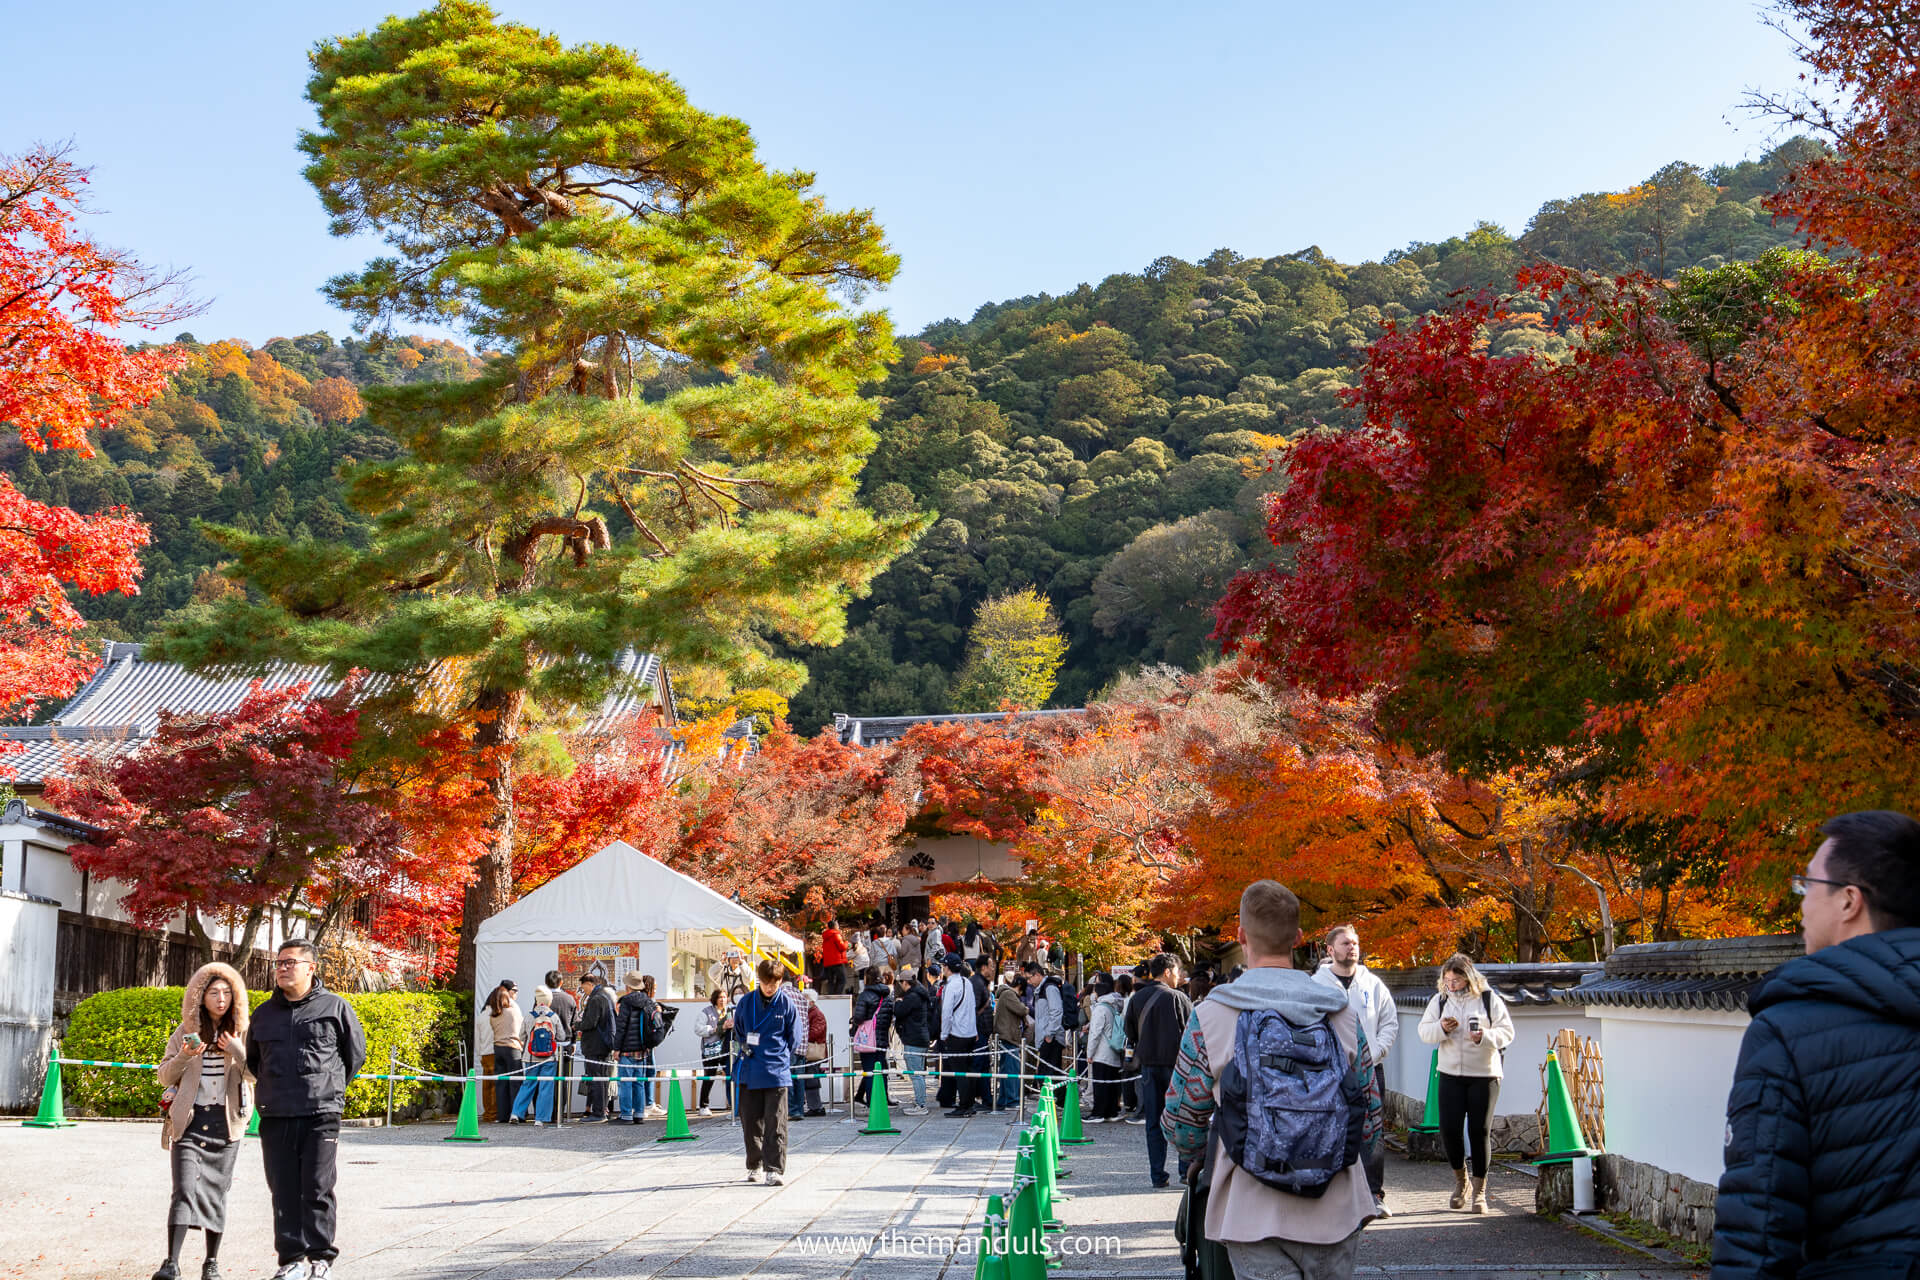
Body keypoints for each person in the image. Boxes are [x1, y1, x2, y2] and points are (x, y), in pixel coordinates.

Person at [1713, 810, 1920, 1277]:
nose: (1802, 901)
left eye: (1808, 884)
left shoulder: (1788, 1030)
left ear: (1849, 901)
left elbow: (1758, 1227)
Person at [1162, 880, 1378, 1280]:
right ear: (1298, 938)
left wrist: (1198, 1157)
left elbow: (1181, 1119)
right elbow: (1370, 1114)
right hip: (1336, 1206)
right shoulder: (1342, 1014)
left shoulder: (1211, 1015)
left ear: (1241, 936)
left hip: (1250, 1208)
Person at [247, 938, 366, 1280]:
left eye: (291, 962)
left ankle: (320, 1258)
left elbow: (354, 1055)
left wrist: (329, 1087)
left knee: (317, 1186)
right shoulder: (264, 1014)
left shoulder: (335, 1007)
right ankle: (291, 1260)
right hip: (275, 1113)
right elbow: (255, 1060)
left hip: (320, 1113)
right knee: (282, 1188)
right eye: (279, 963)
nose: (283, 968)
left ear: (311, 968)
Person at [153, 962, 254, 1280]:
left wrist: (237, 1049)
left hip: (226, 1123)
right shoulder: (185, 1032)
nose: (221, 999)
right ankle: (171, 1263)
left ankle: (211, 1263)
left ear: (235, 996)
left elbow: (257, 1075)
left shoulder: (243, 1032)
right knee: (183, 1189)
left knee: (216, 1193)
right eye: (213, 993)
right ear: (200, 997)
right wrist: (185, 1055)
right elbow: (163, 1076)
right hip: (190, 1121)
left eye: (226, 993)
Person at [1313, 924, 1400, 1217]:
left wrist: (1373, 1054)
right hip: (1330, 1071)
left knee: (1373, 1131)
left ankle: (1374, 1194)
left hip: (1371, 1069)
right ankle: (1335, 1195)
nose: (1352, 948)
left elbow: (1389, 1024)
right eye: (1345, 943)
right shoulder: (1317, 985)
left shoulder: (1373, 984)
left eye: (1355, 943)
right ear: (1330, 949)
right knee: (1330, 1129)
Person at [1417, 953, 1515, 1213]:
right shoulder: (1440, 1001)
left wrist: (1484, 1036)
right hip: (1449, 1074)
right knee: (1449, 1130)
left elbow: (1507, 1032)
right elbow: (1424, 1032)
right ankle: (1462, 1182)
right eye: (1447, 980)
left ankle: (1480, 1191)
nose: (1451, 985)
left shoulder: (1488, 999)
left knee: (1479, 1131)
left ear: (1468, 978)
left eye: (1456, 981)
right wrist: (1442, 1028)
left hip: (1484, 1074)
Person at [1125, 952, 1193, 1188]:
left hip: (1149, 1067)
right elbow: (1192, 1032)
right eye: (1176, 971)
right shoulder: (1179, 998)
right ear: (1167, 972)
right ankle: (1186, 1171)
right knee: (1182, 1119)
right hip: (1178, 1068)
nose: (1178, 976)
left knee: (1153, 1120)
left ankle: (1158, 1175)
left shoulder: (1137, 998)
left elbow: (1129, 1032)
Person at [734, 958, 803, 1184]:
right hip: (750, 1067)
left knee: (776, 1122)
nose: (769, 987)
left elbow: (794, 1038)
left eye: (774, 983)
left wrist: (781, 1056)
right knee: (750, 1122)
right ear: (759, 980)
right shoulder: (746, 1002)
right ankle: (754, 1164)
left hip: (776, 1070)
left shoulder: (787, 1004)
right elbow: (738, 1031)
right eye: (765, 982)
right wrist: (745, 1046)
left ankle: (773, 1169)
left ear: (780, 981)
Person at [939, 951, 984, 1117]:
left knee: (959, 1072)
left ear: (948, 968)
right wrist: (975, 1030)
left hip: (956, 1033)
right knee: (969, 1070)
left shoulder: (950, 986)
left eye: (944, 966)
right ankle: (969, 1103)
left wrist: (944, 1034)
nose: (943, 969)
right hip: (970, 1033)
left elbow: (947, 1012)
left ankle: (964, 1105)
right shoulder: (967, 982)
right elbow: (972, 1008)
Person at [612, 970, 660, 1126]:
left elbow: (621, 1027)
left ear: (628, 986)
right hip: (643, 1049)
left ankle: (626, 1114)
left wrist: (617, 1049)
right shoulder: (648, 1001)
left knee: (625, 1082)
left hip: (627, 1049)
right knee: (639, 1082)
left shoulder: (626, 1002)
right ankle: (639, 1114)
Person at [1023, 958, 1068, 1111]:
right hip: (1047, 1037)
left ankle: (1052, 1102)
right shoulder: (1041, 989)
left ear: (1037, 974)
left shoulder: (1049, 988)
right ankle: (1060, 1102)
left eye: (1029, 977)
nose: (1029, 982)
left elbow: (1056, 1011)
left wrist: (1049, 1034)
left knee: (1047, 1071)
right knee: (1053, 1070)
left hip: (1051, 1037)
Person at [892, 967, 935, 1114]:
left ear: (905, 983)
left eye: (901, 983)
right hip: (921, 1037)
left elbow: (899, 1011)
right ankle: (920, 1101)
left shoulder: (912, 997)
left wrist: (898, 1002)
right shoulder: (921, 994)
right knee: (919, 1073)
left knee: (916, 1074)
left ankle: (921, 1105)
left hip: (913, 1039)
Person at [851, 966, 895, 1106]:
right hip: (882, 1038)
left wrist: (854, 1022)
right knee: (882, 1070)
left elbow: (859, 1017)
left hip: (867, 1039)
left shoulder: (865, 995)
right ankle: (883, 1098)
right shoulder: (887, 995)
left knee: (869, 1071)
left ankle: (873, 1102)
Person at [576, 973, 618, 1121]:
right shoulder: (605, 996)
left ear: (589, 984)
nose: (583, 991)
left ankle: (598, 1113)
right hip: (603, 1045)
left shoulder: (596, 999)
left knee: (597, 1079)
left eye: (583, 987)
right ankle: (602, 1111)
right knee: (603, 1079)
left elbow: (590, 1023)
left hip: (596, 1045)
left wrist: (576, 1025)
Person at [1086, 972, 1126, 1123]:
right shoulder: (1114, 1005)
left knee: (1100, 1084)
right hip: (1113, 1051)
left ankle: (1098, 1113)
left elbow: (1095, 1034)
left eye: (1096, 985)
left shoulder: (1100, 1008)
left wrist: (1090, 1053)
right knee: (1111, 1084)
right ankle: (1111, 1111)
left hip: (1101, 1053)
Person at [484, 980, 525, 1126]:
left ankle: (502, 1115)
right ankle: (516, 1114)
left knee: (501, 1083)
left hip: (498, 1049)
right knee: (515, 1082)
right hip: (513, 1048)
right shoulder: (513, 1011)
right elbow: (521, 1029)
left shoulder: (493, 1015)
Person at [992, 962, 1030, 1113]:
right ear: (1020, 986)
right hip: (1009, 1037)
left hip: (1006, 1036)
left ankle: (1004, 1100)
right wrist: (1026, 1008)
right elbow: (1022, 1010)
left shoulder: (1005, 994)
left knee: (1006, 1070)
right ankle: (1012, 1100)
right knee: (1012, 1070)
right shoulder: (1009, 995)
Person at [696, 988, 734, 1116]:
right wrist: (715, 1029)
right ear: (715, 999)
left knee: (730, 1076)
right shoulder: (706, 1012)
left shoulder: (730, 1011)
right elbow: (698, 1029)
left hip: (726, 1050)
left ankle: (733, 1105)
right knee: (709, 1077)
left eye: (724, 997)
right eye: (719, 997)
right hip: (710, 1050)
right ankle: (703, 1106)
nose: (722, 1000)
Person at [545, 970, 578, 1042]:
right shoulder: (569, 999)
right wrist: (574, 1042)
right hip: (566, 1040)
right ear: (561, 983)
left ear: (546, 983)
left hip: (546, 1041)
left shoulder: (541, 999)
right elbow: (574, 1023)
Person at [821, 919, 849, 996]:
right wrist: (847, 943)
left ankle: (831, 996)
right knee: (842, 979)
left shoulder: (825, 937)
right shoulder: (836, 935)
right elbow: (842, 947)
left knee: (831, 981)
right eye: (838, 925)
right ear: (835, 926)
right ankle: (837, 995)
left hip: (828, 963)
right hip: (837, 961)